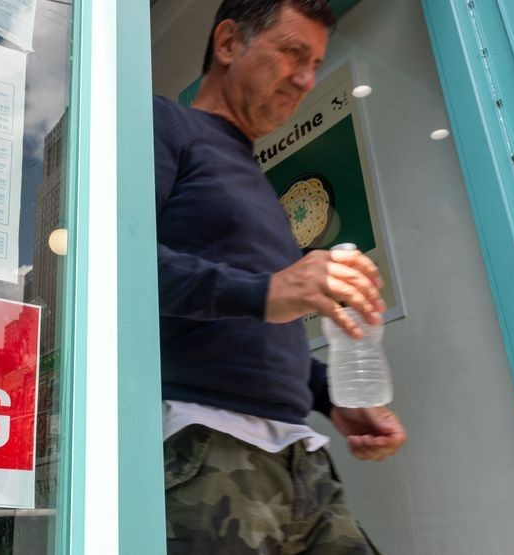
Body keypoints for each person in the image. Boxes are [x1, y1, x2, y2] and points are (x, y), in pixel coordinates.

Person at [155, 1, 407, 553]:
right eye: (293, 53)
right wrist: (268, 290)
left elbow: (257, 325)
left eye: (315, 62)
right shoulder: (165, 125)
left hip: (304, 458)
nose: (305, 78)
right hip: (206, 445)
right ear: (227, 43)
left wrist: (332, 396)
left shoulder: (255, 176)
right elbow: (121, 270)